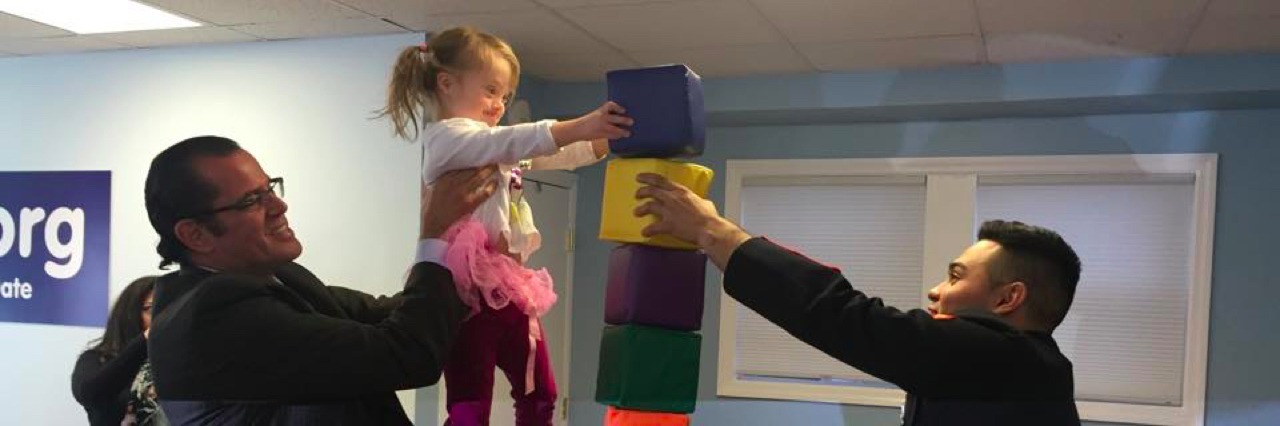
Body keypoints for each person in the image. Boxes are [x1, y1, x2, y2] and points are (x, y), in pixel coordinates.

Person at [634, 173, 1083, 426]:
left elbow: (848, 317)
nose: (936, 290)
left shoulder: (1014, 360)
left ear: (1009, 298)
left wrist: (713, 233)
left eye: (955, 276)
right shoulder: (1008, 371)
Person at [143, 135, 496, 425]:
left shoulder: (280, 277)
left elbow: (388, 313)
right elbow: (406, 354)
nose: (278, 206)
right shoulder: (210, 318)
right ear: (196, 235)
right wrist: (435, 236)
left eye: (270, 188)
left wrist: (483, 273)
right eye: (252, 200)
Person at [379, 27, 632, 425]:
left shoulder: (493, 147)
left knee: (540, 392)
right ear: (447, 83)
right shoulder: (446, 140)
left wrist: (605, 139)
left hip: (507, 284)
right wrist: (583, 123)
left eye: (504, 95)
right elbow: (515, 141)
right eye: (490, 90)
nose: (499, 104)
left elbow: (552, 156)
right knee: (470, 401)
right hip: (465, 292)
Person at [71, 276, 159, 426]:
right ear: (131, 313)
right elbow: (89, 394)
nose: (162, 316)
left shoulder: (181, 359)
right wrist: (145, 340)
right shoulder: (97, 359)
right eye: (152, 309)